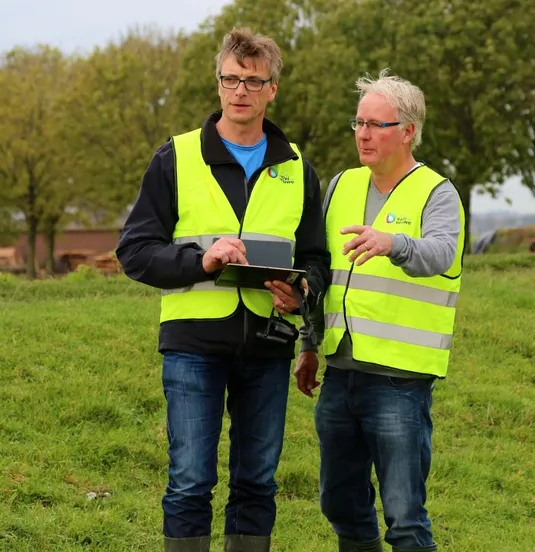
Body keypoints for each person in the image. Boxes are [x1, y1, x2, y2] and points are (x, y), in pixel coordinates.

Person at [116, 28, 330, 552]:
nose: (240, 91)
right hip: (193, 346)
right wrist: (200, 260)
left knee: (257, 482)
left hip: (267, 345)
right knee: (190, 482)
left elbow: (317, 259)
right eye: (231, 79)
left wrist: (301, 292)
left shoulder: (297, 167)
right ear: (217, 84)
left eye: (253, 82)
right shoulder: (176, 157)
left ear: (272, 89)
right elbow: (135, 251)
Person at [294, 70, 466, 552]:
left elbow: (441, 253)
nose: (363, 134)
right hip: (340, 371)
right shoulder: (340, 186)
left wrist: (392, 243)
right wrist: (308, 345)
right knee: (339, 503)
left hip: (400, 380)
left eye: (376, 124)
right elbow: (323, 273)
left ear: (407, 131)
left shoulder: (437, 192)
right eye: (358, 123)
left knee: (405, 518)